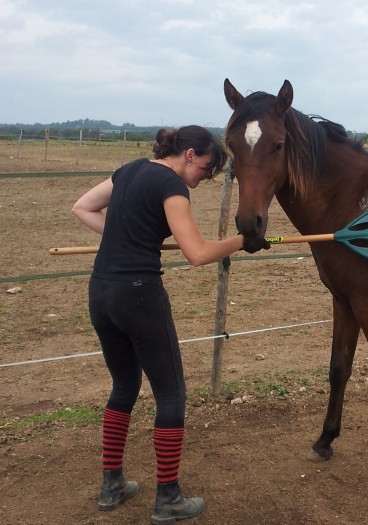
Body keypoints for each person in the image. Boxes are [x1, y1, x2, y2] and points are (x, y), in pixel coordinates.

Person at [72, 125, 269, 524]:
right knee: (171, 396)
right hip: (139, 295)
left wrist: (131, 236)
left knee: (124, 386)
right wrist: (241, 241)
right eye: (206, 170)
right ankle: (168, 499)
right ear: (191, 154)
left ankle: (111, 485)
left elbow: (82, 207)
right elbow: (196, 254)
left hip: (102, 293)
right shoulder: (171, 186)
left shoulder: (128, 170)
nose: (202, 181)